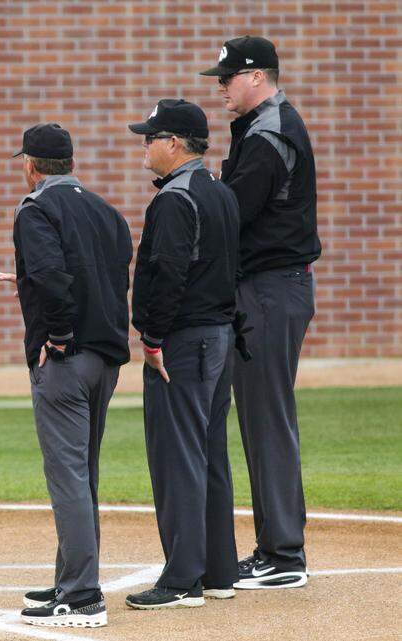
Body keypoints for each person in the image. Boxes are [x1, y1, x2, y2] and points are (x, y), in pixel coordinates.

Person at [200, 35, 320, 589]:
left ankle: (284, 554)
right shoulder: (260, 128)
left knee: (267, 420)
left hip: (271, 289)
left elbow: (233, 215)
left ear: (256, 77)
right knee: (261, 418)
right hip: (269, 288)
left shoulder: (269, 133)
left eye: (226, 78)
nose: (221, 87)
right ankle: (277, 546)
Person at [11, 124, 131, 629]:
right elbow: (109, 272)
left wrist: (56, 337)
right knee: (84, 475)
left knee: (68, 478)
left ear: (32, 165)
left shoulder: (35, 208)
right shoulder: (106, 211)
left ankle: (82, 595)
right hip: (105, 358)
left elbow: (51, 275)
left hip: (66, 359)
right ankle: (70, 579)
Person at [123, 100, 241, 610]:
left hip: (184, 342)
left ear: (174, 143)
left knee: (179, 459)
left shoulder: (174, 199)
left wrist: (151, 338)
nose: (144, 145)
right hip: (220, 337)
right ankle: (217, 570)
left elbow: (167, 274)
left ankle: (182, 579)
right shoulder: (220, 191)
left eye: (151, 137)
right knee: (210, 453)